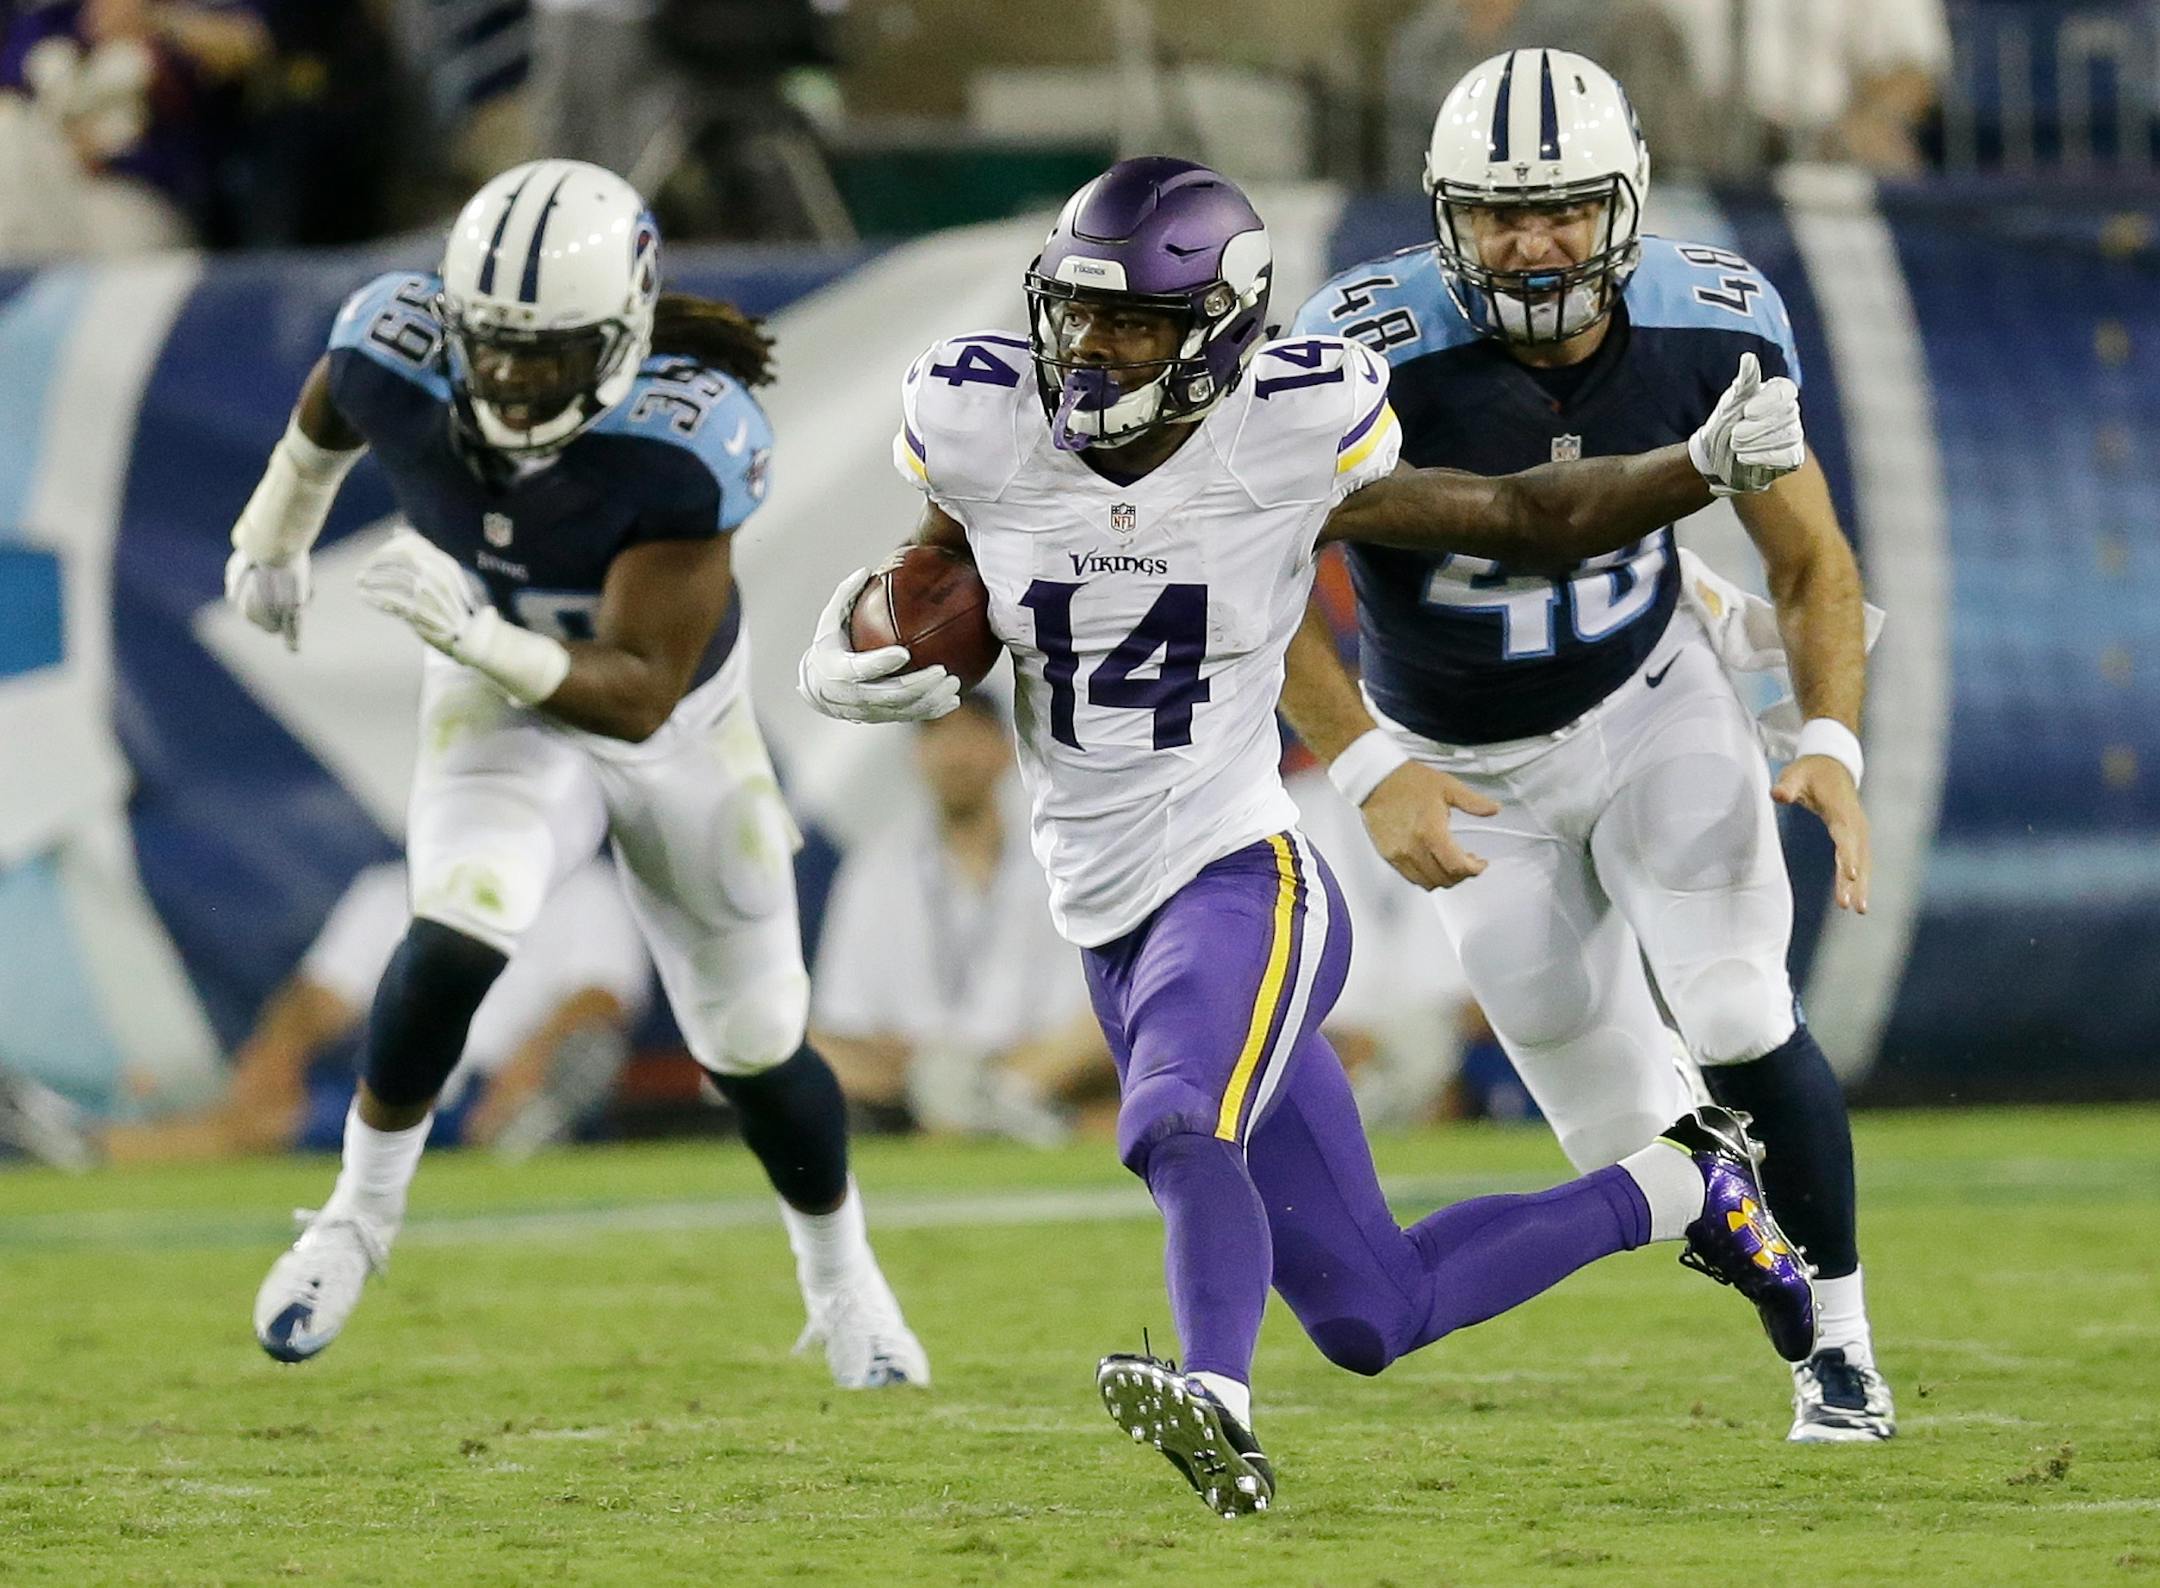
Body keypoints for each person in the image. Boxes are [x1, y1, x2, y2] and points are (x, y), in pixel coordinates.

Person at [798, 154, 1815, 1518]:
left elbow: (1518, 515)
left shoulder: (1284, 435)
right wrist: (852, 640)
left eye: (1133, 323)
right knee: (1373, 1312)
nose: (1091, 349)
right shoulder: (986, 418)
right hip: (1104, 914)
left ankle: (1215, 1401)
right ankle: (1690, 1184)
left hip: (1242, 882)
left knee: (1173, 1120)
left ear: (1216, 333)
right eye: (1079, 314)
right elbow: (933, 566)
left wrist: (1690, 467)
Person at [221, 157, 927, 1388]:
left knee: (754, 1038)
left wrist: (474, 633)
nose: (508, 378)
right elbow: (334, 399)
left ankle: (842, 1279)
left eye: (543, 355)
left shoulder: (683, 440)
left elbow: (639, 688)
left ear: (619, 338)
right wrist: (271, 535)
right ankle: (354, 1221)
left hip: (672, 721)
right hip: (495, 696)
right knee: (456, 924)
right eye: (491, 346)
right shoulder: (398, 346)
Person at [1282, 50, 1893, 1443]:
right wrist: (1370, 766)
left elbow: (1814, 560)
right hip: (1464, 759)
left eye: (1562, 207)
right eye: (1501, 213)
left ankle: (1843, 1345)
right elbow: (1250, 589)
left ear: (1626, 206)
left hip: (1650, 700)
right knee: (1622, 1139)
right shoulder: (1362, 350)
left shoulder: (1713, 319)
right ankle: (1765, 1254)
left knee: (1736, 1008)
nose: (1533, 240)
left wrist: (1835, 745)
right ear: (1446, 217)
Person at [100, 858, 651, 1165]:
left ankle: (530, 1132)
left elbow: (601, 998)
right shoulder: (390, 889)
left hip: (509, 1086)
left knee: (586, 1054)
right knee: (259, 1116)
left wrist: (531, 1061)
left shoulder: (583, 888)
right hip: (406, 1088)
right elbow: (320, 997)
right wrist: (279, 1051)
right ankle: (81, 1147)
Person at [810, 693, 1112, 1143]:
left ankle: (979, 1107)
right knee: (795, 1044)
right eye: (940, 739)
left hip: (1031, 1062)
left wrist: (1010, 1067)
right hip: (910, 1074)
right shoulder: (876, 867)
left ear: (1007, 749)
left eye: (970, 738)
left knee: (1120, 1016)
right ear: (917, 755)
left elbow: (1090, 1005)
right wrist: (922, 1069)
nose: (956, 756)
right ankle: (991, 1113)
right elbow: (845, 1016)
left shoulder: (1061, 858)